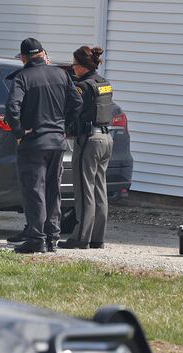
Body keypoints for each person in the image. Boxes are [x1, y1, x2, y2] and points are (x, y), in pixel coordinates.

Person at [5, 38, 83, 254]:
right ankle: (52, 237)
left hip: (34, 143)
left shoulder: (22, 77)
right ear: (42, 54)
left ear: (23, 57)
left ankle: (36, 239)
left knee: (34, 191)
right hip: (57, 142)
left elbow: (12, 107)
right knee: (52, 190)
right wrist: (64, 125)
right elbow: (77, 103)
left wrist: (19, 131)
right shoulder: (61, 74)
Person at [58, 46, 114, 250]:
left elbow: (73, 110)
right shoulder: (104, 83)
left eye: (74, 65)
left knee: (84, 190)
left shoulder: (83, 86)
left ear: (82, 66)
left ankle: (81, 238)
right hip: (106, 139)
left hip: (89, 141)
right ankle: (97, 238)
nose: (72, 69)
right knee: (100, 190)